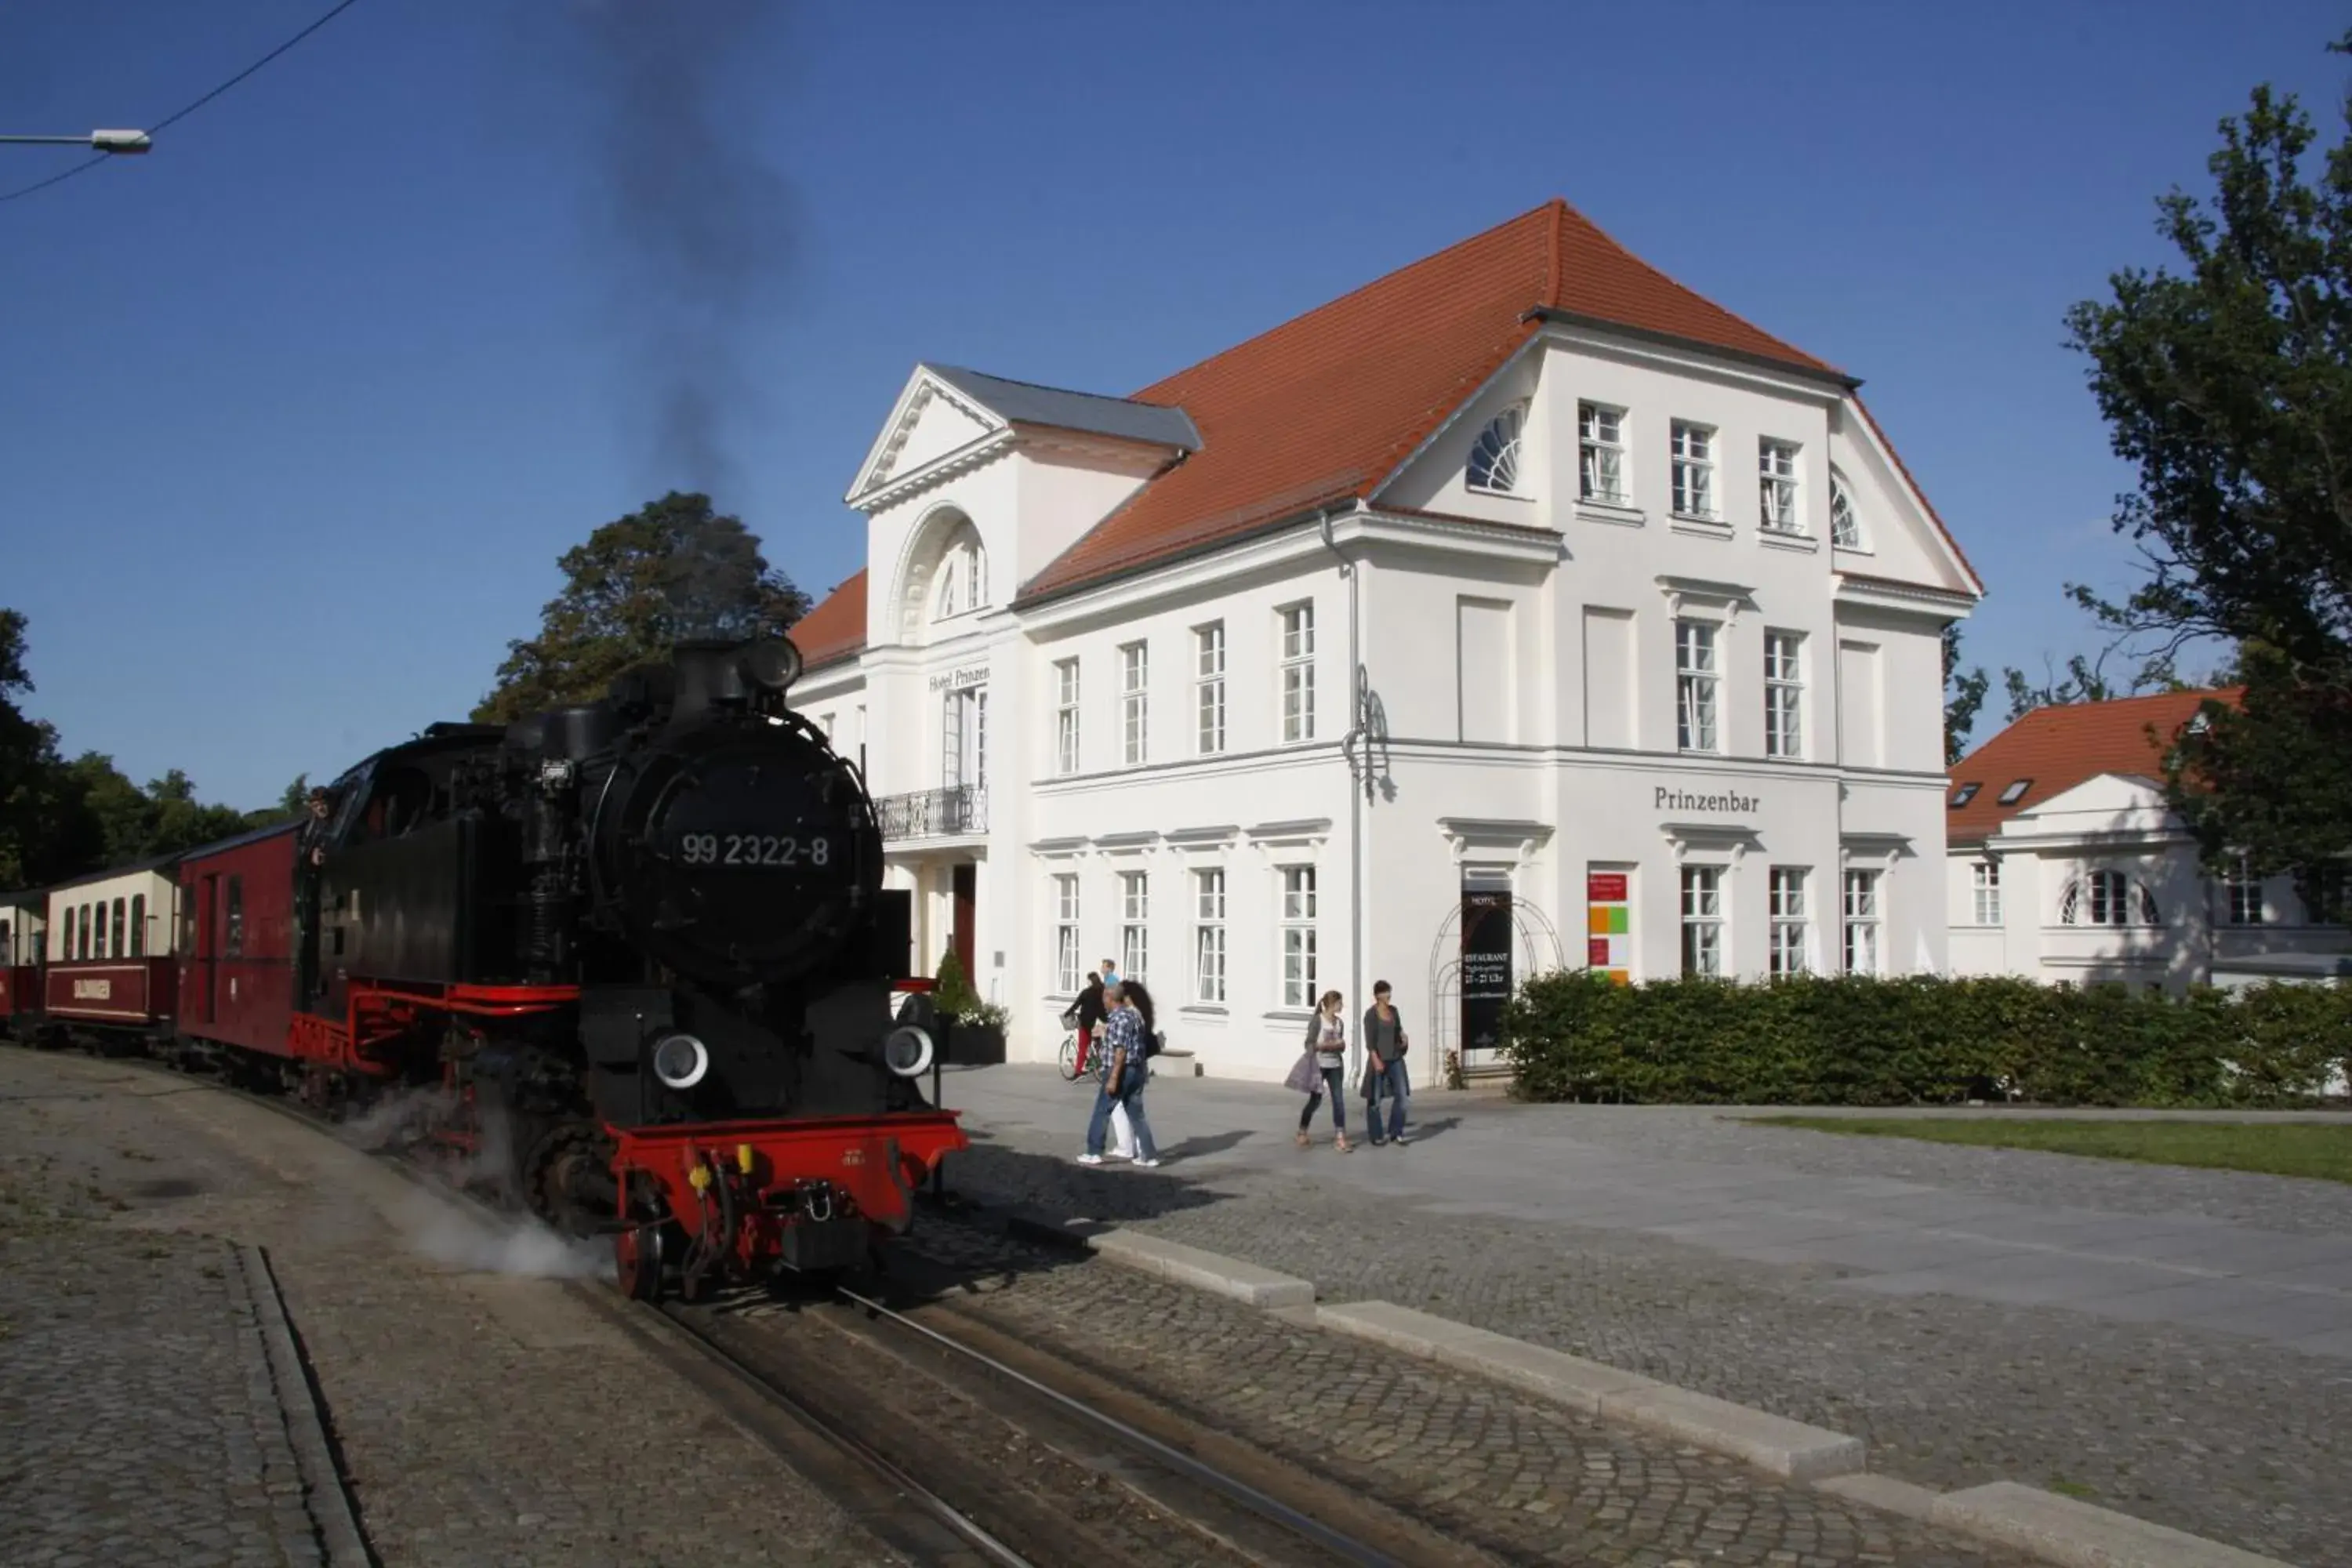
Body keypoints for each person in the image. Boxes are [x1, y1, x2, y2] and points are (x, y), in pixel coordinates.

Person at [1079, 982, 1159, 1167]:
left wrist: (1114, 1077)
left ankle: (1093, 1152)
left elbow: (1120, 1051)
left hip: (1123, 1070)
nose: (1103, 1003)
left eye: (1104, 999)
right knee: (1136, 1114)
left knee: (1102, 1110)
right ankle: (1149, 1155)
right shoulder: (1134, 1015)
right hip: (1137, 1070)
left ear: (1110, 998)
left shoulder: (1119, 1019)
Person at [1295, 989, 1351, 1152]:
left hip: (1335, 1066)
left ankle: (1340, 1137)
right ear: (1332, 1004)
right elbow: (1309, 1044)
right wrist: (1322, 1046)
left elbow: (1342, 1045)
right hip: (1319, 1065)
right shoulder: (1317, 1021)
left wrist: (1340, 1045)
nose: (1342, 1006)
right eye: (1340, 1003)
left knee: (1339, 1101)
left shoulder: (1339, 1023)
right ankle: (1302, 1130)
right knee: (1315, 1100)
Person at [1361, 980, 1410, 1147]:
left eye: (1389, 992)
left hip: (1396, 1058)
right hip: (1379, 1059)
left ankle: (1396, 1132)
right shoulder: (1371, 1015)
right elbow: (1370, 1041)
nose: (1388, 995)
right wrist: (1375, 1059)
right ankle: (1376, 1134)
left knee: (1402, 1096)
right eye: (1384, 993)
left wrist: (1404, 1039)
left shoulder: (1393, 1011)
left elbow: (1398, 1030)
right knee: (1375, 1099)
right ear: (1377, 996)